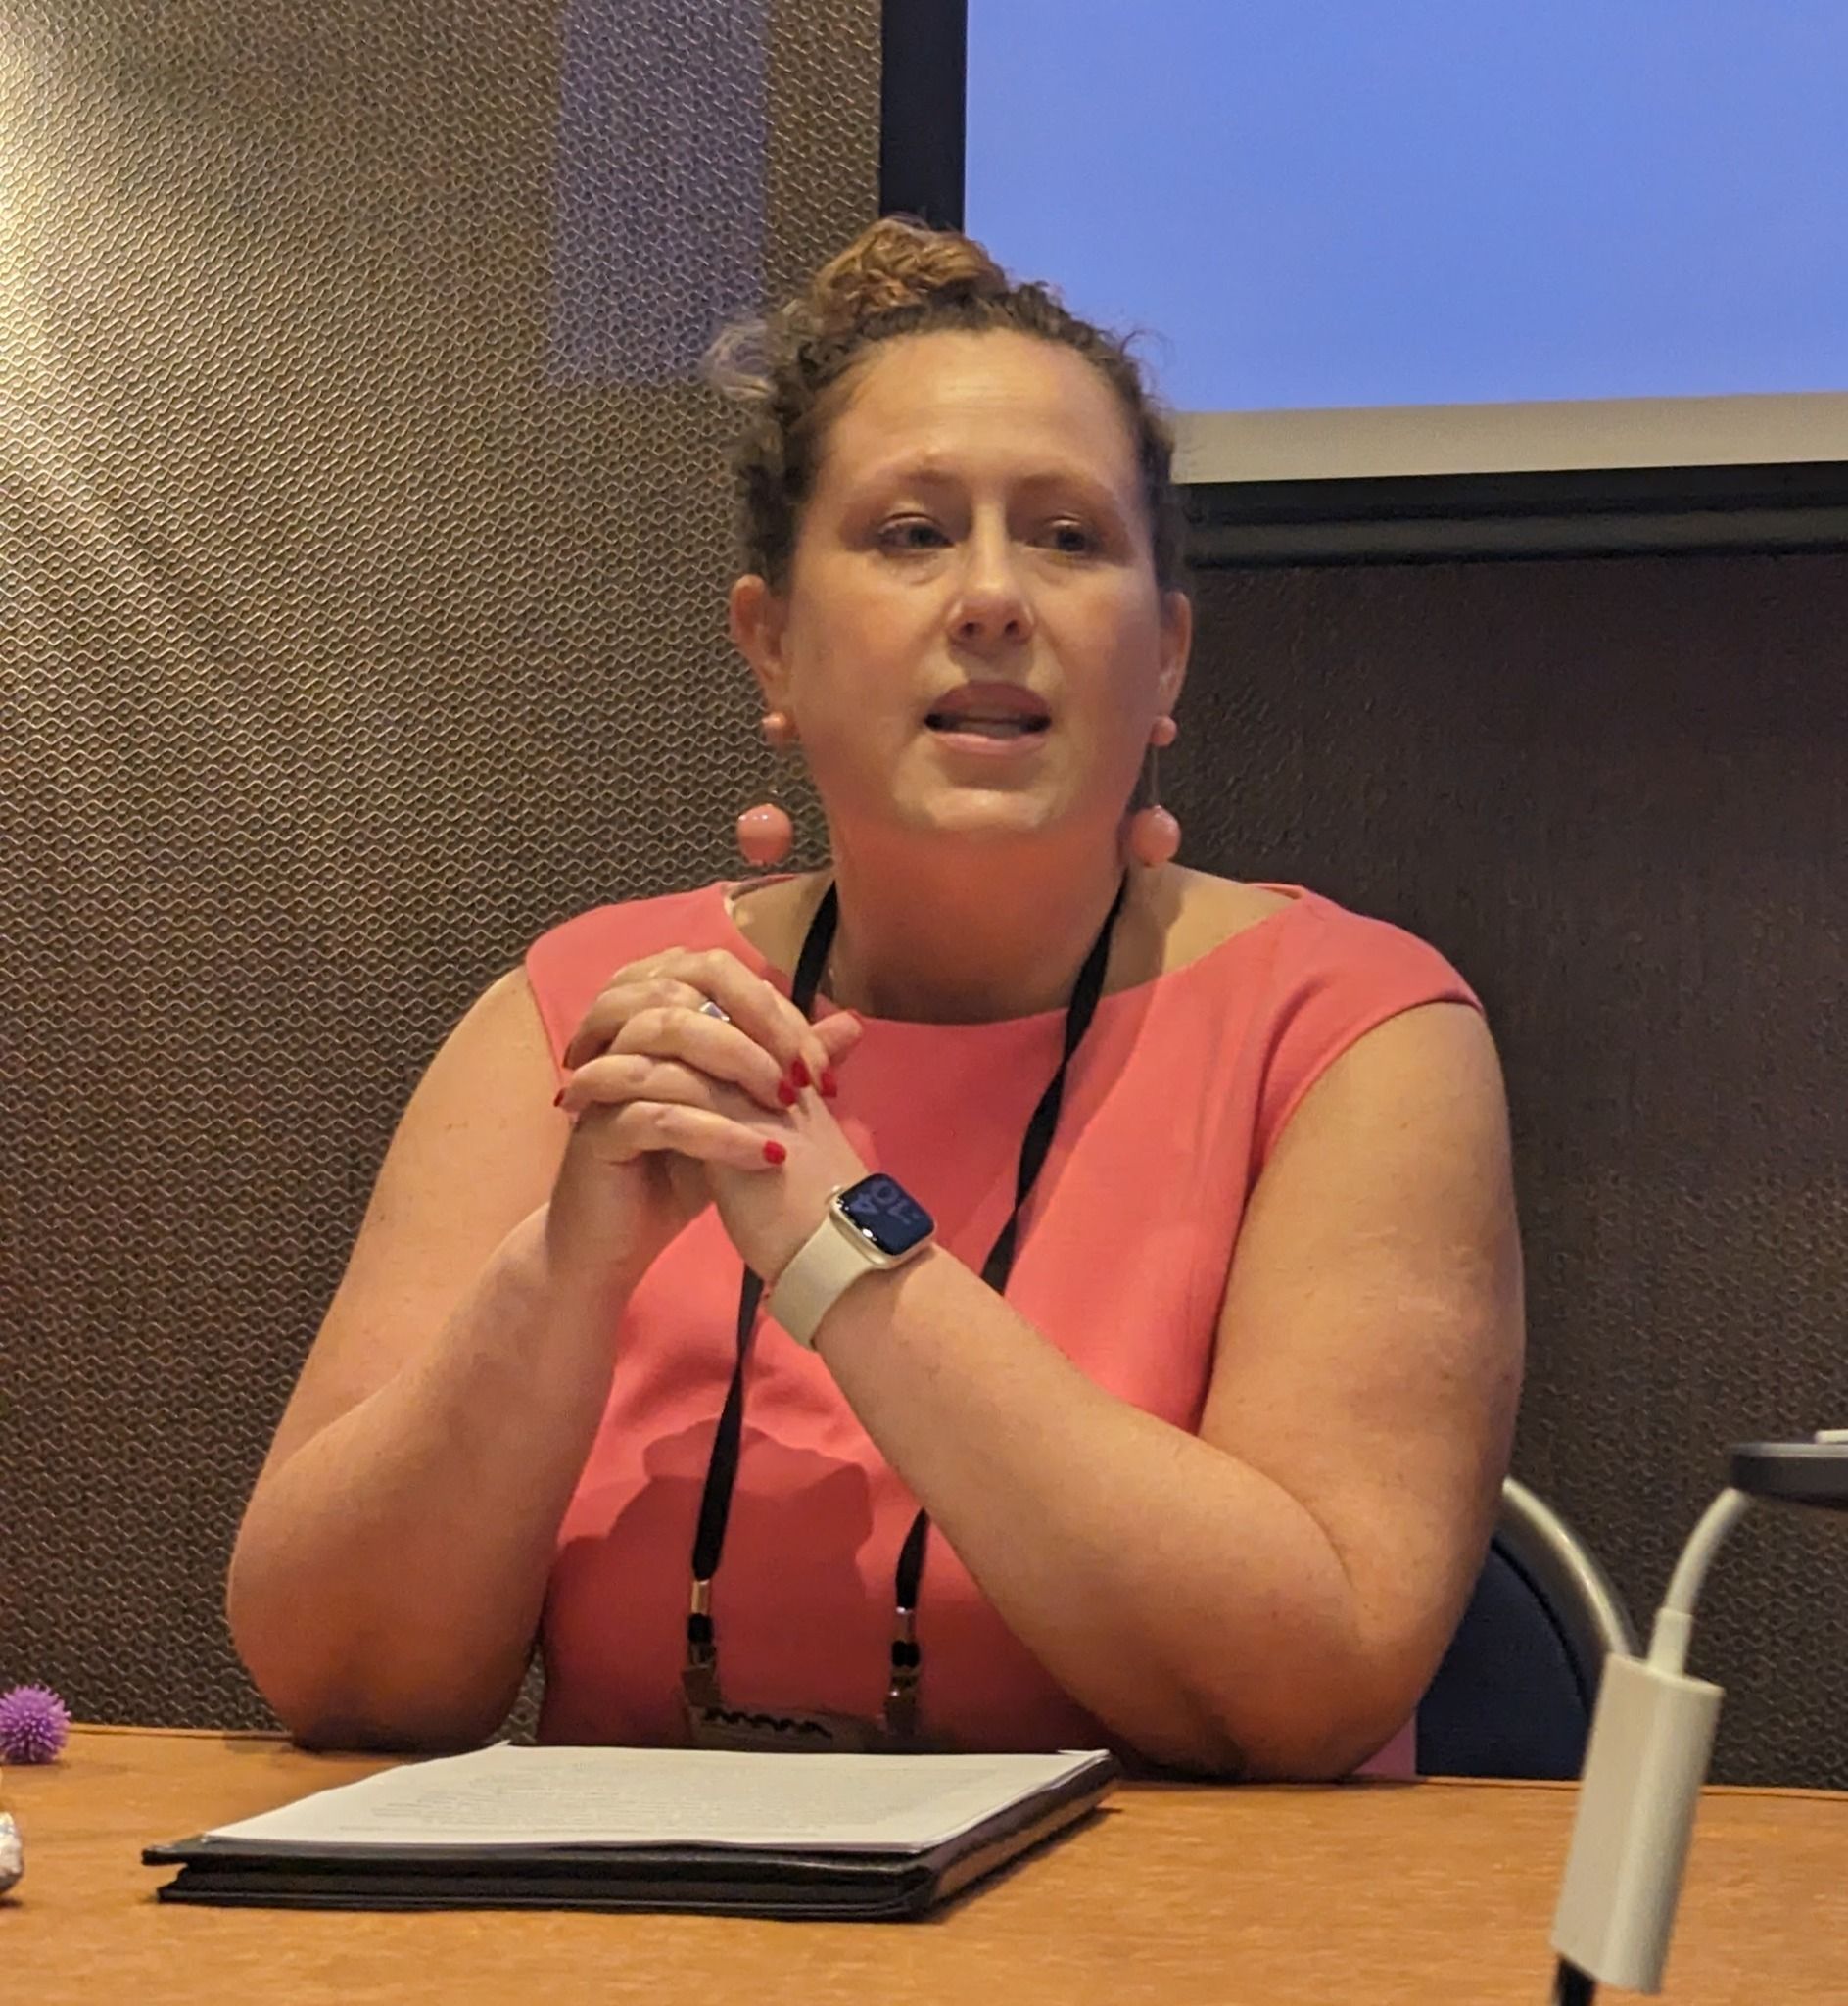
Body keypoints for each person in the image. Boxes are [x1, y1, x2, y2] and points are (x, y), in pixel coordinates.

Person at [226, 219, 1523, 1780]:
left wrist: (835, 1236)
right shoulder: (584, 1016)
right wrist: (564, 1276)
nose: (991, 597)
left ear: (1165, 658)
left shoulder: (1359, 1030)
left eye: (1066, 538)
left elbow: (1311, 1685)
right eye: (911, 535)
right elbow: (337, 1672)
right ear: (770, 639)